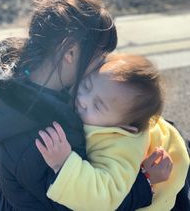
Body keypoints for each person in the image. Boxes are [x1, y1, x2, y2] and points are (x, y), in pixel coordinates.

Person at [0, 0, 154, 211]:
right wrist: (146, 183)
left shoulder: (26, 77)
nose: (103, 65)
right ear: (70, 52)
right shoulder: (46, 137)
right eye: (100, 56)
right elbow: (84, 203)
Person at [36, 53, 189, 211]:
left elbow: (105, 196)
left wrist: (63, 164)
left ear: (124, 127)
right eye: (87, 85)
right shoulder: (110, 114)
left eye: (98, 106)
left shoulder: (119, 146)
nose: (83, 99)